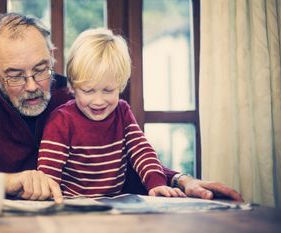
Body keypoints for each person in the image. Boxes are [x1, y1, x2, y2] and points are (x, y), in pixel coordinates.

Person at [0, 12, 243, 203]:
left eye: (40, 69)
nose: (34, 86)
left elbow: (121, 156)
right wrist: (5, 183)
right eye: (15, 75)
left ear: (53, 56)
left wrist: (180, 180)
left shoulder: (78, 94)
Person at [37, 28, 187, 198]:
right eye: (88, 91)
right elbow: (48, 174)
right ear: (72, 87)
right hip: (72, 205)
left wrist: (156, 183)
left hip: (115, 204)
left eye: (108, 90)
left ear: (120, 85)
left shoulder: (122, 112)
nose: (99, 101)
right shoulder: (62, 119)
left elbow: (141, 150)